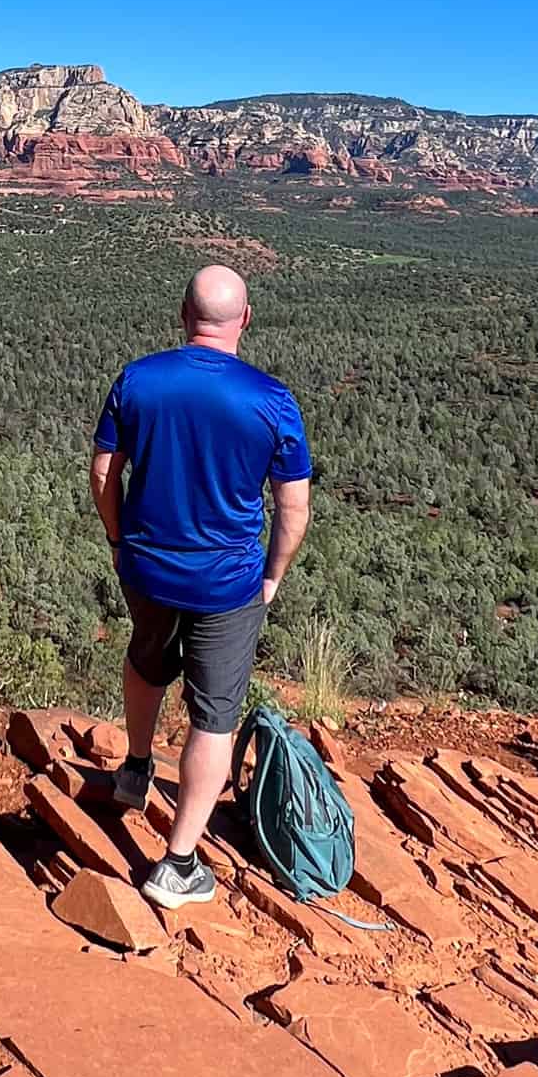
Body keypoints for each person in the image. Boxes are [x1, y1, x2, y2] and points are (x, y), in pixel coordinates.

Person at [89, 263, 312, 909]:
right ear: (245, 320)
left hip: (148, 568)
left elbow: (105, 471)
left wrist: (116, 539)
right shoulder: (272, 401)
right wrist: (271, 575)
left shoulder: (139, 379)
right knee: (214, 717)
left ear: (184, 316)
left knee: (147, 658)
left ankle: (135, 767)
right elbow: (293, 510)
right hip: (229, 583)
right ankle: (177, 864)